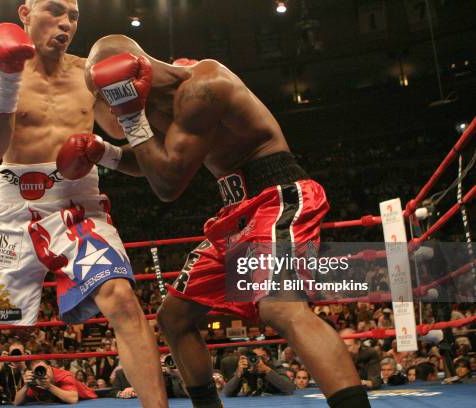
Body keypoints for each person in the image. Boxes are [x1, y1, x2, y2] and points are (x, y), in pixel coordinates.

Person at [83, 35, 368, 407]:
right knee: (174, 317)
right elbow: (153, 162)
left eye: (103, 97)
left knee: (281, 306)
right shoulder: (156, 105)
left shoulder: (203, 86)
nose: (104, 109)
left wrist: (132, 117)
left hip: (277, 194)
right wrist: (103, 153)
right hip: (235, 212)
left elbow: (168, 185)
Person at [0, 2, 167, 407]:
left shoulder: (88, 74)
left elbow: (120, 132)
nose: (66, 23)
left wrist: (131, 100)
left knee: (122, 300)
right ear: (25, 13)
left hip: (77, 205)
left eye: (73, 16)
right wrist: (9, 80)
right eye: (56, 11)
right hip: (11, 209)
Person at [14, 360, 96, 404]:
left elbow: (73, 399)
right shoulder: (36, 380)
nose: (42, 373)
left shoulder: (65, 375)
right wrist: (26, 385)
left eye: (44, 369)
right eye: (38, 371)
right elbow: (16, 402)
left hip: (89, 398)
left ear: (49, 368)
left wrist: (49, 386)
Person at [223, 347, 295, 397]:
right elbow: (227, 392)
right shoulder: (246, 367)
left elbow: (289, 388)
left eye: (262, 357)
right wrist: (239, 373)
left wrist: (267, 370)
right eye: (255, 357)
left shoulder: (275, 365)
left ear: (268, 357)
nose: (258, 360)